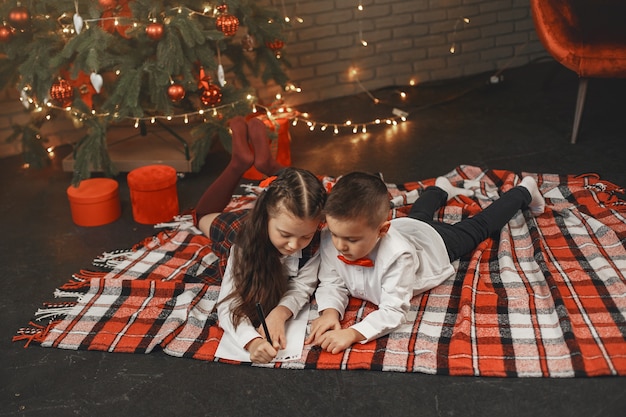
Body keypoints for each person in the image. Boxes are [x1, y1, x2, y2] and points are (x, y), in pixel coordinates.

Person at [305, 171, 545, 354]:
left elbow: (393, 310)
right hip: (408, 228)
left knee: (479, 227)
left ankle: (524, 191)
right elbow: (331, 280)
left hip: (434, 244)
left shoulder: (398, 256)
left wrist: (354, 332)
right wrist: (330, 312)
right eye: (335, 234)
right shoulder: (332, 238)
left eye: (351, 239)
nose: (340, 245)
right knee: (418, 217)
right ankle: (440, 189)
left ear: (381, 231)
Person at [195, 116, 327, 364]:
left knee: (300, 190)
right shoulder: (244, 242)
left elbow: (303, 286)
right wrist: (251, 341)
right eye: (285, 235)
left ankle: (268, 164)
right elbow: (228, 303)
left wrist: (279, 313)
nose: (294, 245)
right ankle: (238, 163)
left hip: (279, 210)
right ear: (266, 216)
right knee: (200, 216)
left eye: (305, 236)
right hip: (242, 227)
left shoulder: (317, 237)